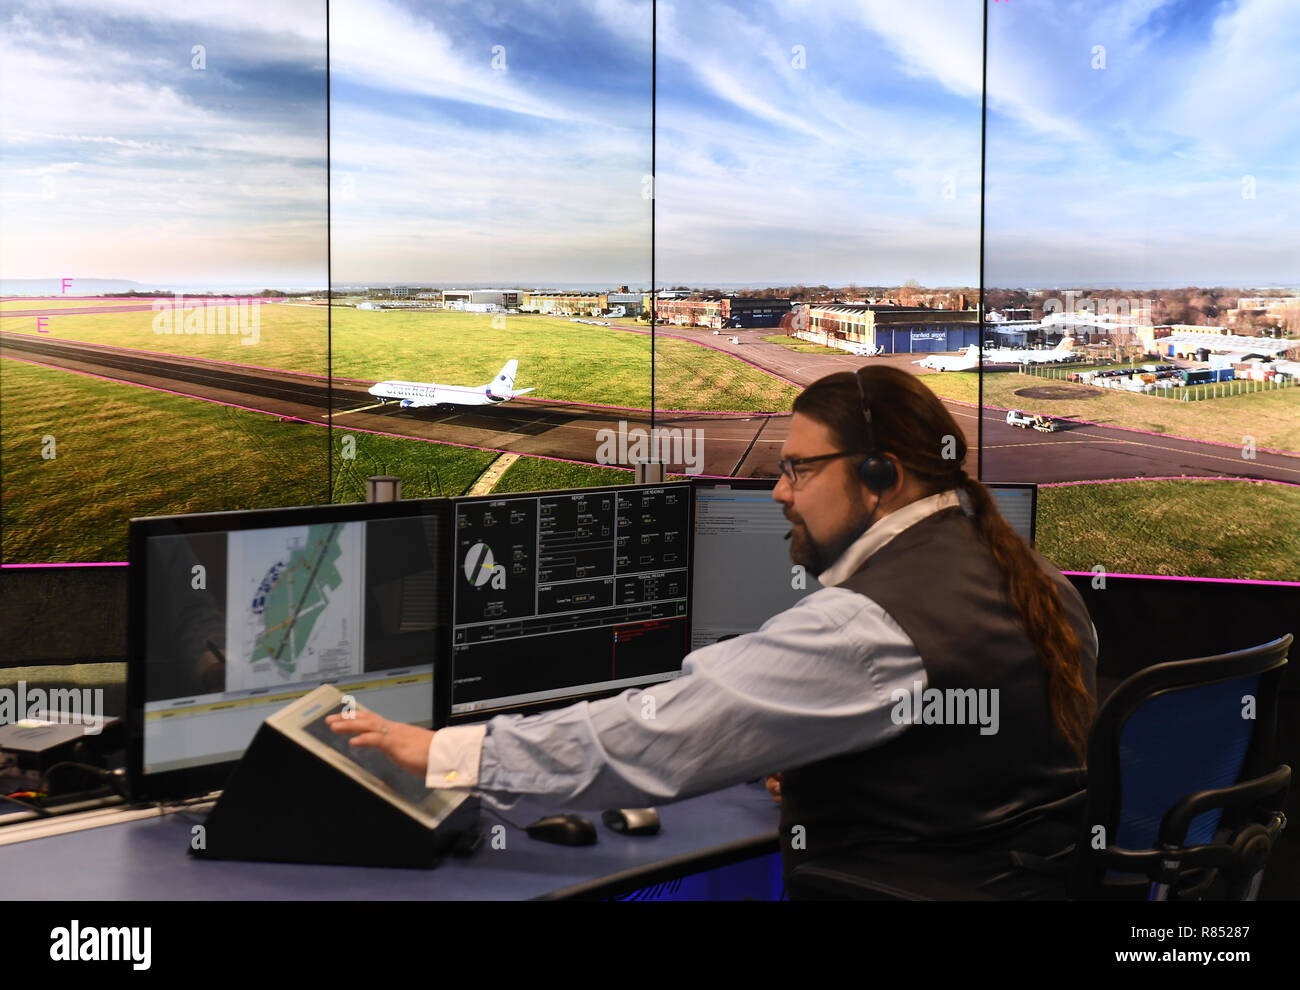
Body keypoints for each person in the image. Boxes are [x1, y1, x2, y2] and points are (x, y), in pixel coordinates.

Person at [328, 365, 1098, 898]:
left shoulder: (869, 626)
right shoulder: (1038, 581)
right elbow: (980, 762)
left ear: (879, 478)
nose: (777, 494)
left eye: (798, 470)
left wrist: (448, 752)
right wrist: (833, 770)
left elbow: (649, 740)